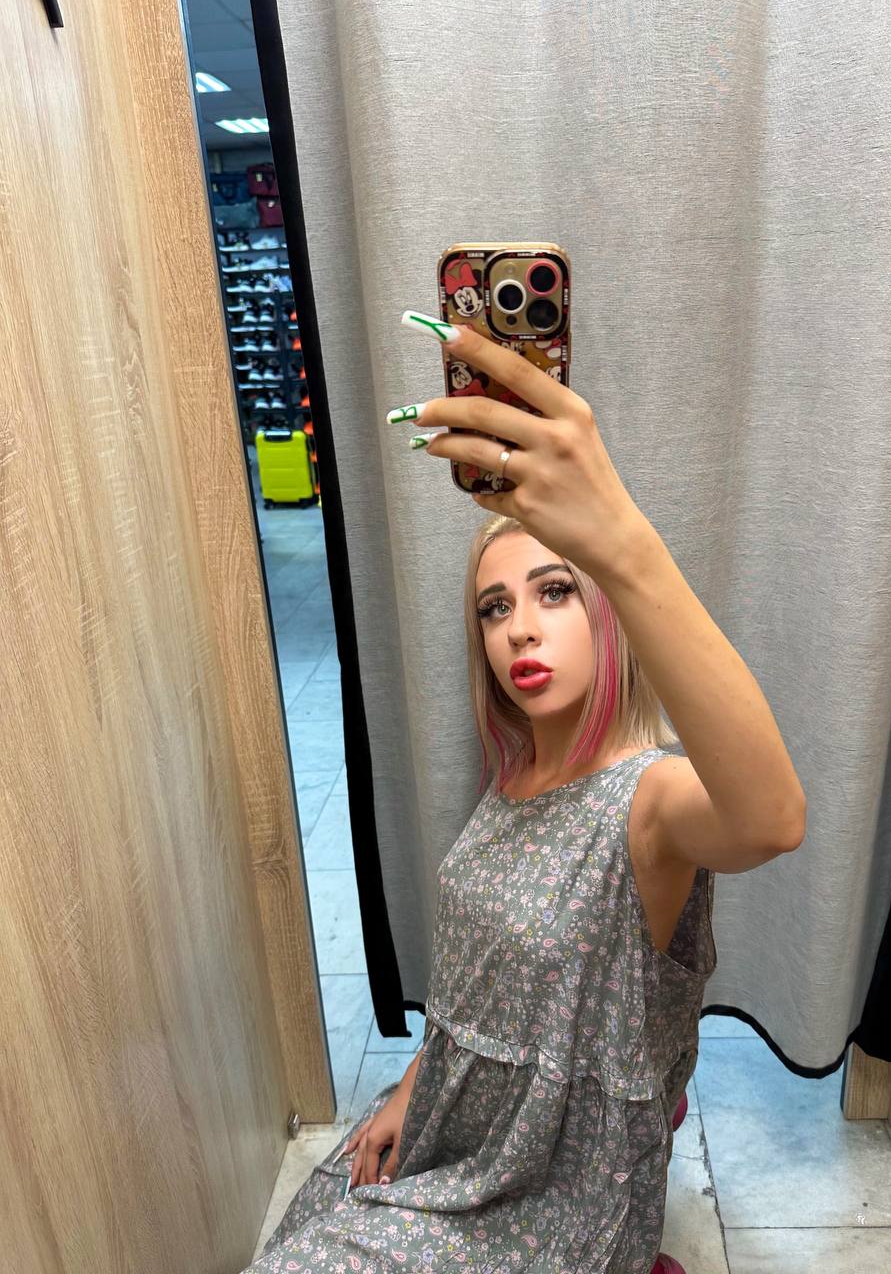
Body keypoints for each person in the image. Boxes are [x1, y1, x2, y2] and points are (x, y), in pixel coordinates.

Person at [243, 314, 806, 1273]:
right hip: (452, 1122)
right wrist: (413, 1084)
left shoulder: (649, 801)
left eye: (555, 592)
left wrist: (621, 544)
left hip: (554, 1191)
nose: (519, 630)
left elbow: (771, 820)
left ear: (607, 614)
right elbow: (484, 980)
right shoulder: (513, 783)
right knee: (303, 1232)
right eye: (494, 607)